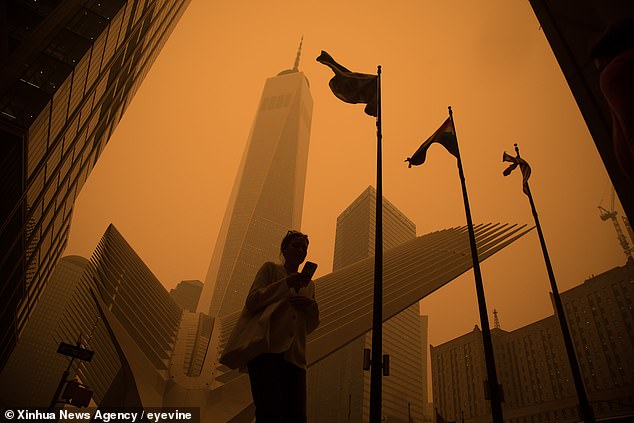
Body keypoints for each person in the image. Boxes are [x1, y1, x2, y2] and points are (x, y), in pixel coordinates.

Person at [228, 230, 319, 423]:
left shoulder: (309, 285)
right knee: (269, 413)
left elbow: (308, 326)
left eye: (304, 248)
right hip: (266, 352)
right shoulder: (270, 270)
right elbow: (252, 301)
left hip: (296, 358)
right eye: (296, 245)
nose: (301, 250)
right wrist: (285, 284)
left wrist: (311, 307)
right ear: (284, 249)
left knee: (297, 417)